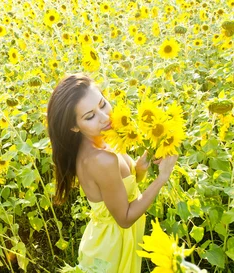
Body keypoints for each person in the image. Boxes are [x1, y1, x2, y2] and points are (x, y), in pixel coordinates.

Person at [46, 73, 178, 273]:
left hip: (114, 239)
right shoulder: (100, 160)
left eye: (102, 104)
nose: (104, 117)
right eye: (90, 116)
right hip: (110, 249)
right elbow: (124, 218)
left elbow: (126, 189)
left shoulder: (107, 136)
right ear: (74, 126)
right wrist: (162, 178)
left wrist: (140, 169)